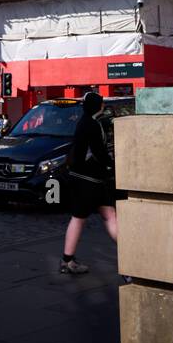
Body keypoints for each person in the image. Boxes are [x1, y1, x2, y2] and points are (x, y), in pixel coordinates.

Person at [60, 91, 118, 275]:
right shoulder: (93, 124)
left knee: (84, 217)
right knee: (107, 215)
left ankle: (67, 260)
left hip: (82, 178)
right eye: (101, 103)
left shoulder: (84, 122)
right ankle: (130, 255)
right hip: (91, 179)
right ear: (98, 106)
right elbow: (99, 153)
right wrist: (113, 164)